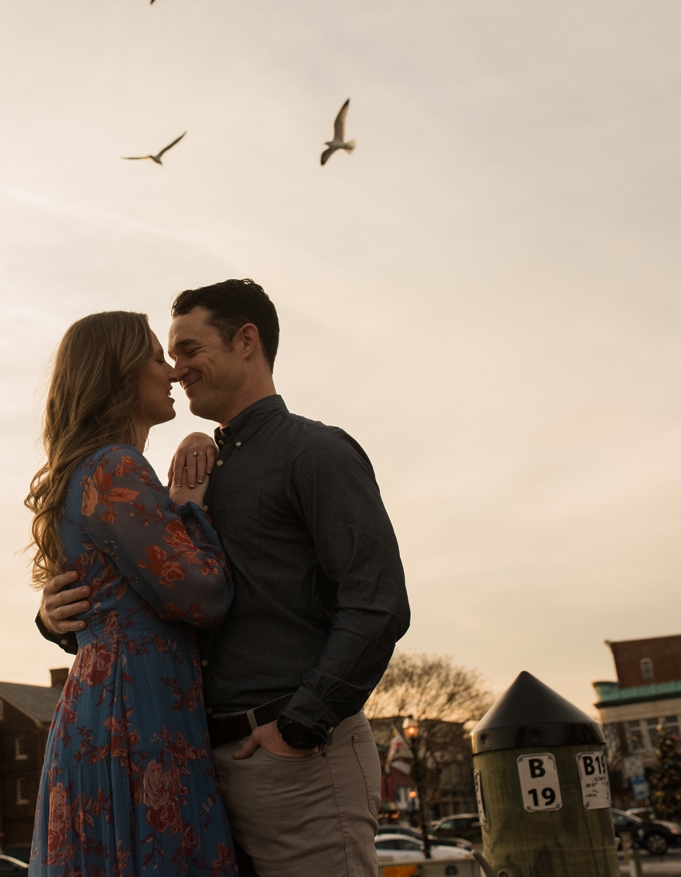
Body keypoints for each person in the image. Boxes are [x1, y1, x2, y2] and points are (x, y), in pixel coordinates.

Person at [39, 279, 410, 877]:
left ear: (246, 342)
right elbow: (139, 591)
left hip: (293, 761)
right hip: (196, 759)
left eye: (187, 349)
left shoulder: (314, 453)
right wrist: (52, 618)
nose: (177, 368)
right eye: (166, 355)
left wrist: (300, 726)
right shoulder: (193, 470)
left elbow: (378, 604)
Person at [24, 310, 239, 876]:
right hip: (136, 714)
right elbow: (203, 594)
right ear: (119, 373)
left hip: (111, 705)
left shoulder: (89, 472)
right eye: (154, 356)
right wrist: (190, 504)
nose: (170, 372)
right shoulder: (114, 467)